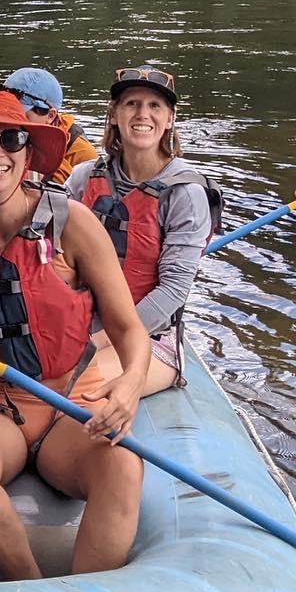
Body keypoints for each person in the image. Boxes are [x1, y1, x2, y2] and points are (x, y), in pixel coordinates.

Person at [0, 91, 151, 578]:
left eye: (11, 139)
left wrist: (128, 387)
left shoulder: (74, 224)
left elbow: (129, 329)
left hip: (69, 400)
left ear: (27, 150)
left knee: (123, 465)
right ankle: (33, 587)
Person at [65, 66, 219, 400]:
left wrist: (103, 338)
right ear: (114, 115)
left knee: (76, 392)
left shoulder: (185, 194)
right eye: (132, 104)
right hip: (77, 323)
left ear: (169, 119)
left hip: (149, 337)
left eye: (154, 106)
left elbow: (173, 289)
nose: (142, 114)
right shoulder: (82, 178)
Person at [0, 66, 98, 178]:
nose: (11, 120)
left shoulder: (83, 156)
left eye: (21, 115)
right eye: (7, 111)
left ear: (50, 116)